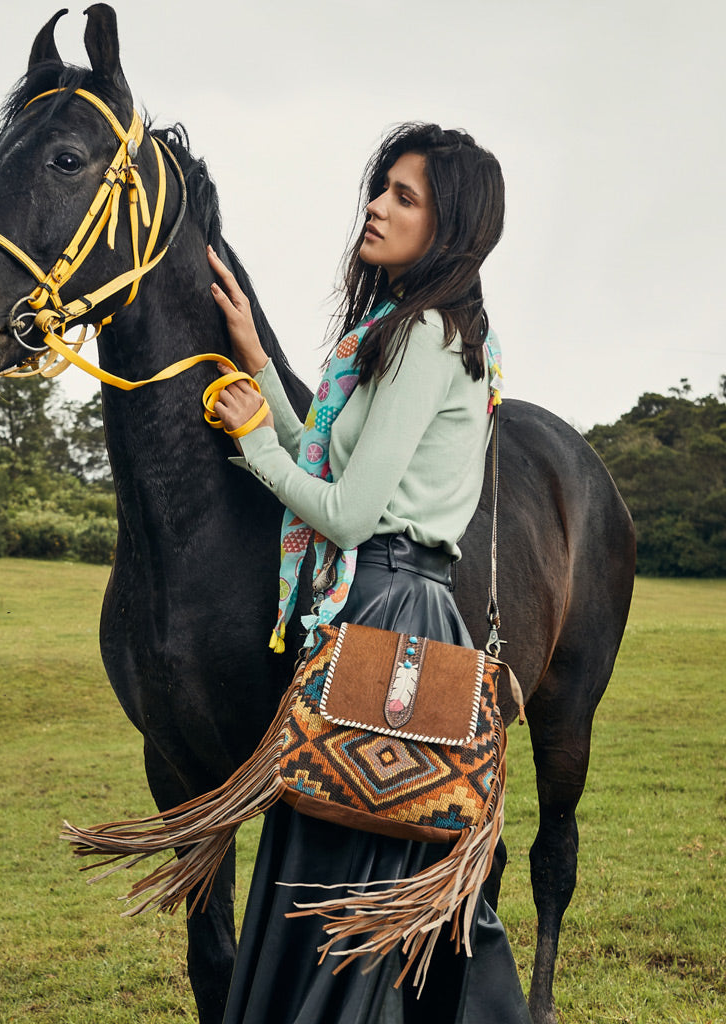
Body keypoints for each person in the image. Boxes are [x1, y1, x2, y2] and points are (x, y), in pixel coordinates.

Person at [206, 123, 531, 1024]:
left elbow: (346, 512)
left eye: (405, 196)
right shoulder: (400, 329)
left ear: (452, 225)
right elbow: (329, 455)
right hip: (382, 612)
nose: (377, 207)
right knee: (355, 860)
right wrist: (260, 366)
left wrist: (252, 450)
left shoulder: (427, 332)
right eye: (381, 187)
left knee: (353, 864)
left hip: (394, 617)